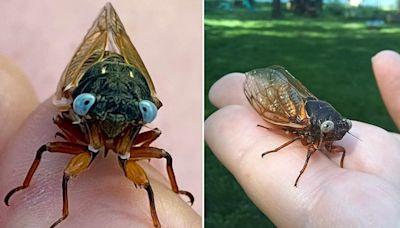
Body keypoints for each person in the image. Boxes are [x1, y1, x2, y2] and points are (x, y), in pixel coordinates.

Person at [205, 50, 400, 227]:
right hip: (297, 113)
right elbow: (296, 139)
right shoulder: (306, 126)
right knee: (292, 132)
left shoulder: (333, 130)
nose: (340, 134)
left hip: (315, 113)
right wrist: (276, 150)